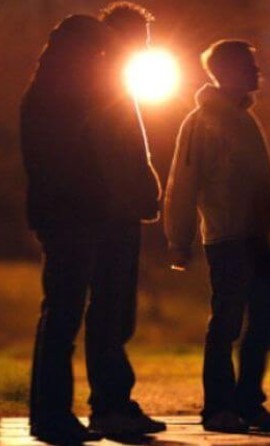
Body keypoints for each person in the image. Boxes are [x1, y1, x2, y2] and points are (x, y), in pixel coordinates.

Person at [164, 40, 270, 434]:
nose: (257, 70)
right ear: (229, 70)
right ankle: (219, 407)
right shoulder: (201, 122)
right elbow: (182, 184)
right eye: (249, 65)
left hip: (257, 236)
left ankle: (248, 402)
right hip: (229, 236)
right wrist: (179, 241)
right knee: (227, 323)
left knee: (262, 320)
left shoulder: (243, 118)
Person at [78, 2, 166, 437]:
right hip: (111, 216)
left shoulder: (114, 83)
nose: (143, 49)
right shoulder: (98, 84)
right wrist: (131, 197)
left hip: (120, 214)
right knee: (110, 311)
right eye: (139, 40)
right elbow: (113, 154)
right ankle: (110, 406)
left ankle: (114, 402)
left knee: (117, 312)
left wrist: (145, 194)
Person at [21, 14, 109, 444]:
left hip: (62, 214)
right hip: (68, 216)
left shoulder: (48, 94)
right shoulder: (59, 100)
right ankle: (52, 415)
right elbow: (68, 164)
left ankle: (49, 412)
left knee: (60, 315)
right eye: (95, 52)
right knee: (62, 316)